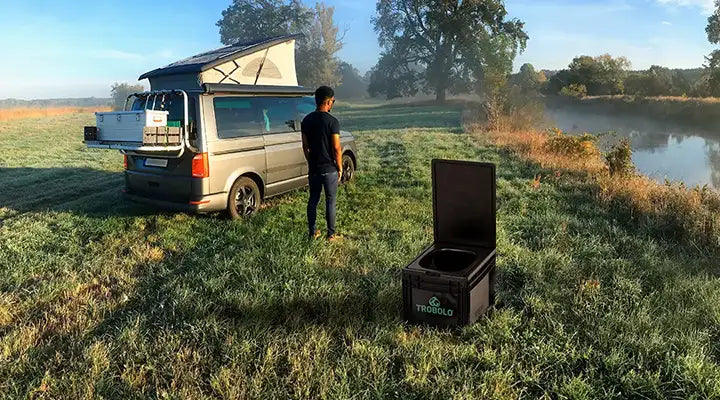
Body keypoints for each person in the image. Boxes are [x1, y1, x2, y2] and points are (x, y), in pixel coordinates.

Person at [301, 86, 343, 241]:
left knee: (313, 199)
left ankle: (312, 232)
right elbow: (336, 148)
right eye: (332, 101)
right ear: (328, 101)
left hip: (314, 169)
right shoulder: (332, 122)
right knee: (330, 201)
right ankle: (331, 235)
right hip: (329, 169)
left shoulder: (306, 120)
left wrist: (310, 162)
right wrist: (339, 168)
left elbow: (305, 146)